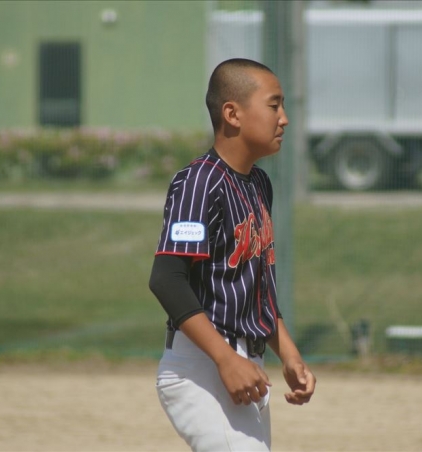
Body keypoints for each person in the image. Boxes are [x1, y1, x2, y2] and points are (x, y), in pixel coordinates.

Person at [148, 58, 316, 452]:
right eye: (274, 105)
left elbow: (255, 292)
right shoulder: (199, 182)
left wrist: (288, 354)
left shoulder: (259, 184)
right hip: (202, 367)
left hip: (243, 365)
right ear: (232, 114)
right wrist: (225, 359)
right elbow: (167, 279)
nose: (284, 118)